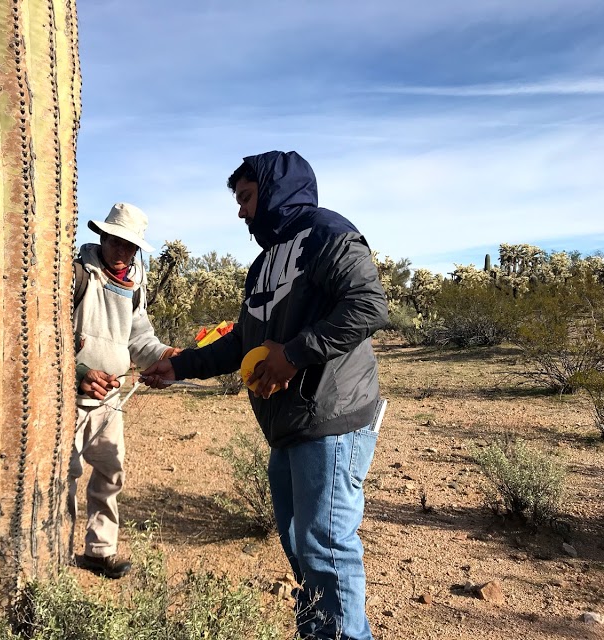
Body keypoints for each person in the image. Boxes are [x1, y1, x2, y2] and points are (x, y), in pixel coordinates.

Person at [142, 151, 389, 639]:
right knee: (301, 545)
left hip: (331, 416)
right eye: (238, 201)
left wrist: (294, 354)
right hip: (288, 425)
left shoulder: (327, 233)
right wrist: (181, 366)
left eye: (248, 198)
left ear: (277, 191)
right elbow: (242, 341)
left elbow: (368, 306)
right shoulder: (262, 265)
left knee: (325, 545)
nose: (241, 212)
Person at [69, 202, 180, 579]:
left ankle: (100, 551)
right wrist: (77, 370)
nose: (124, 252)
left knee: (110, 474)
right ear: (102, 237)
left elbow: (139, 339)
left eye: (131, 247)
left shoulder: (133, 285)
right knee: (61, 478)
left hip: (109, 401)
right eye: (118, 243)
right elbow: (45, 333)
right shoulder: (76, 275)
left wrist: (166, 354)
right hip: (68, 399)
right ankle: (49, 557)